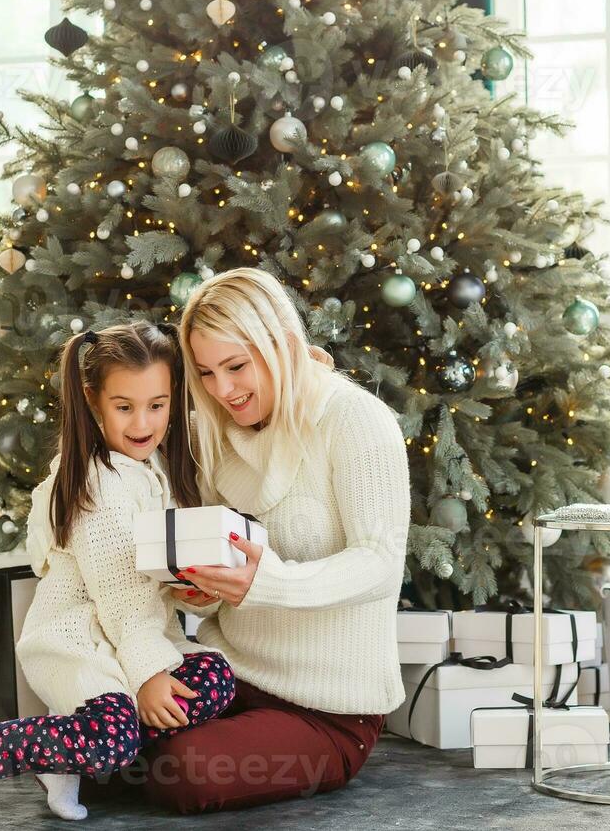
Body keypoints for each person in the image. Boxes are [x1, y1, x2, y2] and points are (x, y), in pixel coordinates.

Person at [0, 323, 235, 829]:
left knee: (215, 675)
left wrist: (195, 592)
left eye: (157, 405)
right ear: (93, 401)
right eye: (124, 407)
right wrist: (149, 675)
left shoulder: (155, 469)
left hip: (135, 642)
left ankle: (66, 750)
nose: (143, 422)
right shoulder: (96, 484)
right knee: (113, 739)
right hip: (81, 643)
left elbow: (160, 583)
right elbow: (121, 598)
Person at [119, 266, 411, 813]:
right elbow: (213, 558)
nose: (222, 390)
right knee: (105, 720)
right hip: (227, 674)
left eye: (236, 366)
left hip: (327, 710)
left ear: (280, 344)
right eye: (205, 373)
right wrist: (198, 589)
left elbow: (379, 561)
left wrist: (268, 581)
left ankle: (90, 763)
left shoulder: (357, 421)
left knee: (184, 770)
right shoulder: (216, 431)